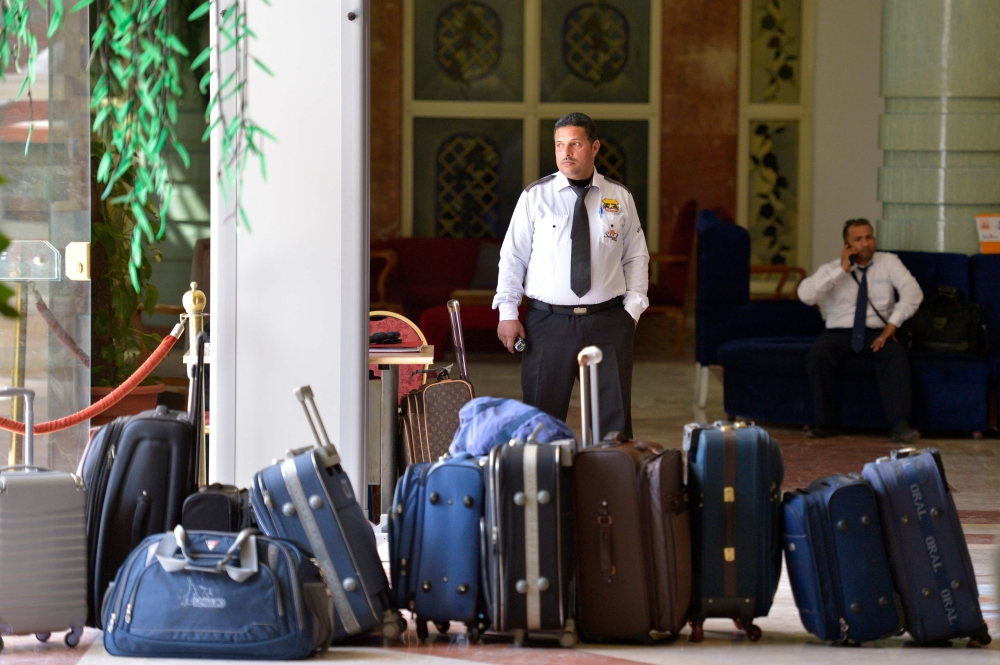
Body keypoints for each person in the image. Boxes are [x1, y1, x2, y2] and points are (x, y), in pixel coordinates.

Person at [493, 112, 649, 437]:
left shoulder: (619, 197)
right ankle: (543, 488)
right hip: (547, 325)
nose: (566, 152)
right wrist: (508, 312)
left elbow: (636, 256)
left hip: (607, 322)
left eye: (575, 144)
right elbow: (512, 257)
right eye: (559, 145)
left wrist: (631, 310)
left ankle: (609, 487)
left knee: (613, 429)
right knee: (539, 425)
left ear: (594, 147)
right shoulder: (535, 196)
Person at [797, 218, 923, 442]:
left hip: (878, 332)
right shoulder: (831, 269)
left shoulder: (889, 262)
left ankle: (899, 424)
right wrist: (841, 270)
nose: (865, 243)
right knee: (818, 355)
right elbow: (805, 295)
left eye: (869, 237)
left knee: (895, 355)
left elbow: (913, 292)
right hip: (840, 333)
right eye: (858, 239)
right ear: (847, 244)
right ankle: (825, 424)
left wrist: (892, 325)